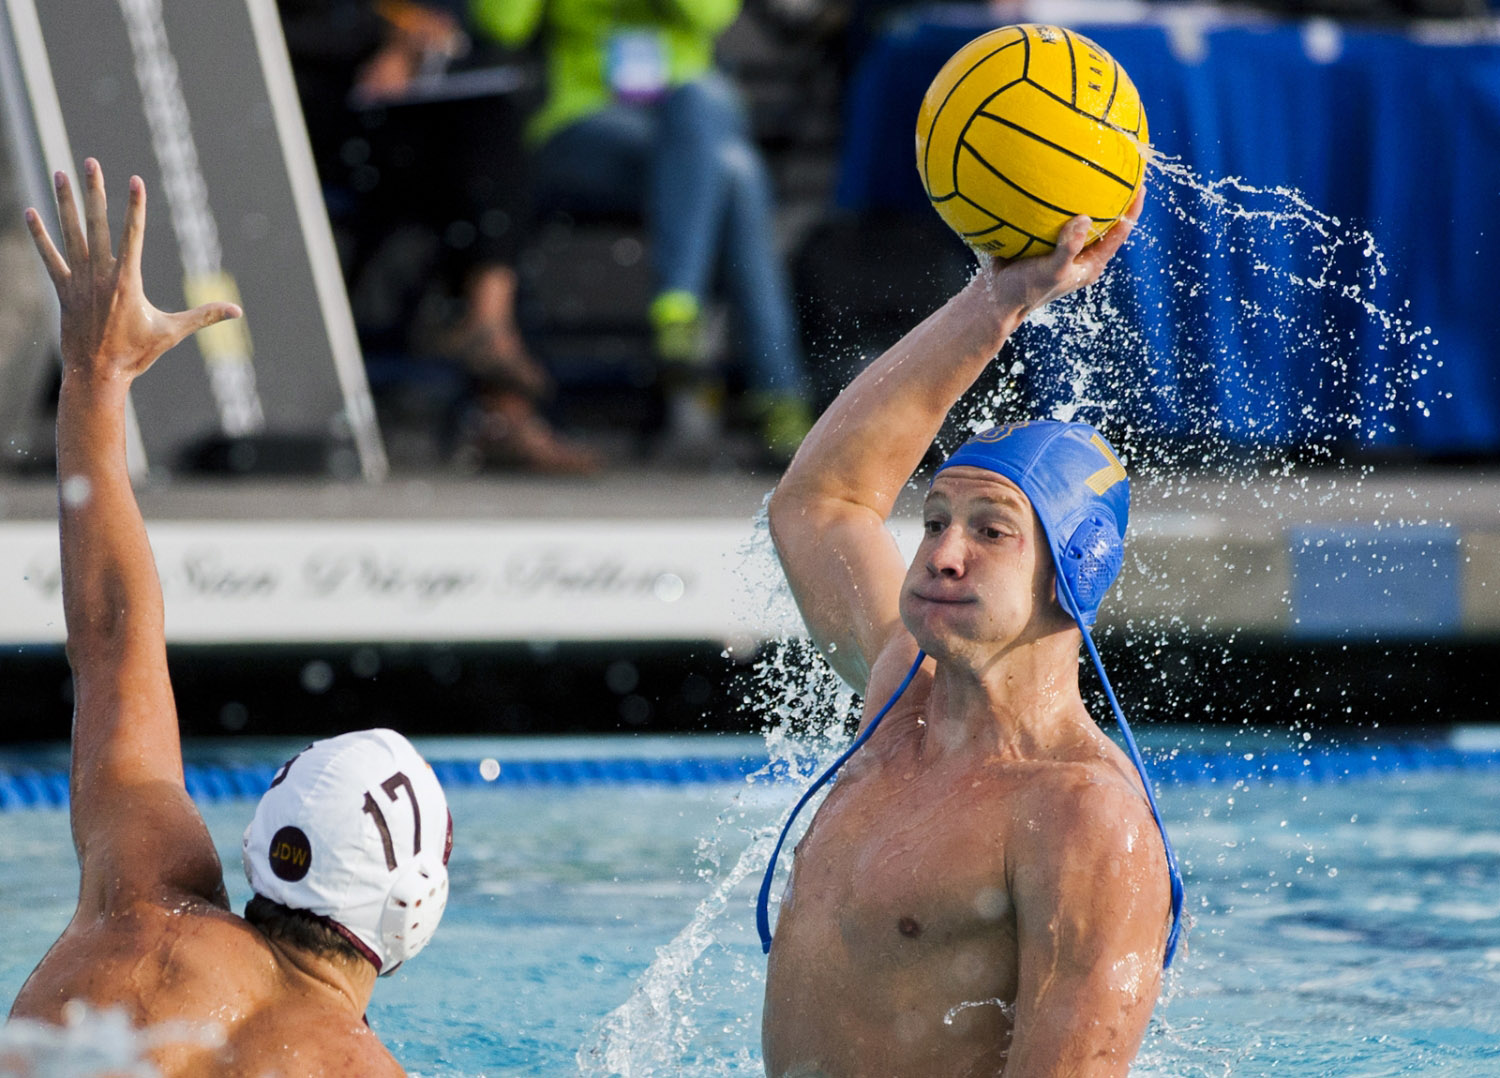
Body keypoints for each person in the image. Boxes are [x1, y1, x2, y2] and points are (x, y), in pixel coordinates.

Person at [10, 160, 452, 1075]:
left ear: (263, 843)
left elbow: (112, 634)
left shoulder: (139, 888)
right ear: (416, 906)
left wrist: (96, 374)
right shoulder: (356, 1068)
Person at [756, 196, 1184, 1077]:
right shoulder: (898, 698)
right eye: (936, 520)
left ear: (1074, 571)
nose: (943, 555)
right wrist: (996, 304)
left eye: (991, 532)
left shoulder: (1084, 818)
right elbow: (821, 502)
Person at [469, 0, 816, 465]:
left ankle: (677, 309)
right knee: (737, 173)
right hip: (587, 124)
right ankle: (780, 400)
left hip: (691, 124)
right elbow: (501, 25)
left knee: (708, 120)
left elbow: (711, 15)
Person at [279, 0, 600, 474]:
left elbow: (482, 24)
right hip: (317, 109)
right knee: (486, 177)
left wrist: (434, 34)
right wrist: (390, 38)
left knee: (492, 130)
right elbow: (270, 29)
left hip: (414, 112)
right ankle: (499, 384)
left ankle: (491, 334)